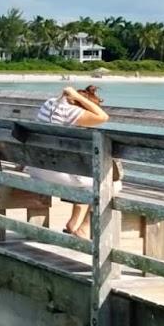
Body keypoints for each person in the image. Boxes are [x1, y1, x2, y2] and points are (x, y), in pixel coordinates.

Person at [28, 86, 109, 237]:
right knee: (109, 183)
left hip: (36, 170)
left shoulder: (50, 103)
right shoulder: (70, 112)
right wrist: (79, 98)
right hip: (56, 175)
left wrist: (75, 96)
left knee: (84, 177)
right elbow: (103, 117)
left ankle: (73, 221)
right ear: (79, 104)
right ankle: (84, 228)